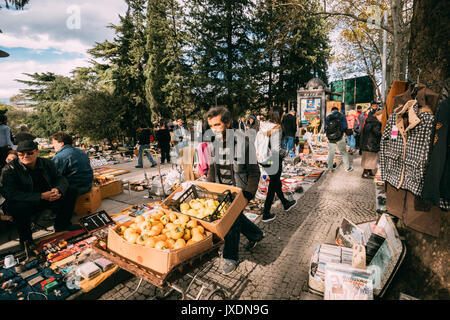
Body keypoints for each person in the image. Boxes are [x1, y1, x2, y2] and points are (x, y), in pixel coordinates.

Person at [206, 106, 264, 275]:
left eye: (217, 125)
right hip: (221, 192)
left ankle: (231, 257)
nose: (214, 130)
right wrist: (208, 188)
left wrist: (247, 195)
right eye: (211, 126)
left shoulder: (244, 144)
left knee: (231, 223)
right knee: (236, 218)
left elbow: (254, 172)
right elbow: (211, 170)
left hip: (239, 193)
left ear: (228, 123)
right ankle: (256, 234)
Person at [0, 140, 78, 250]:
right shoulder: (9, 169)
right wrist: (40, 196)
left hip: (47, 197)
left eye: (29, 153)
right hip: (25, 201)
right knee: (19, 207)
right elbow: (11, 194)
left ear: (37, 152)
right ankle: (26, 240)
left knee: (71, 191)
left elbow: (60, 178)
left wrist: (57, 189)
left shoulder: (47, 163)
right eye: (21, 154)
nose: (25, 156)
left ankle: (62, 226)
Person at [259, 108, 297, 222]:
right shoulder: (277, 128)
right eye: (282, 115)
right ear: (279, 116)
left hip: (264, 158)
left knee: (275, 182)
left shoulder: (264, 125)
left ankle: (285, 203)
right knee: (273, 185)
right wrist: (287, 154)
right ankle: (266, 213)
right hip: (274, 160)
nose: (283, 117)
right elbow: (277, 149)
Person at [51, 131, 94, 217]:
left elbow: (53, 175)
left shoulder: (60, 156)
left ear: (61, 143)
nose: (53, 145)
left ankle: (57, 214)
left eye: (54, 143)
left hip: (75, 189)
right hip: (88, 184)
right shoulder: (80, 151)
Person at [325, 107, 353, 172]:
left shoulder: (328, 117)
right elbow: (345, 126)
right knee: (343, 152)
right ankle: (347, 168)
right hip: (340, 136)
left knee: (331, 152)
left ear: (331, 111)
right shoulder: (342, 116)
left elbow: (325, 127)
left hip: (330, 137)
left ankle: (330, 168)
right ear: (338, 110)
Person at [360, 110, 383, 178]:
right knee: (370, 159)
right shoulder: (376, 123)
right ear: (377, 115)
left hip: (366, 143)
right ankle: (365, 173)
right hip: (371, 143)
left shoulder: (369, 121)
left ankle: (369, 171)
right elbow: (377, 133)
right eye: (381, 116)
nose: (382, 118)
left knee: (367, 158)